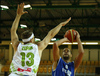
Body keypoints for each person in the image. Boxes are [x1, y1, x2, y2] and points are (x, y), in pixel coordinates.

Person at [9, 3, 71, 76]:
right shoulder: (37, 47)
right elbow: (50, 34)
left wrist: (18, 16)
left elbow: (13, 30)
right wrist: (60, 25)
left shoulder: (17, 46)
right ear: (32, 40)